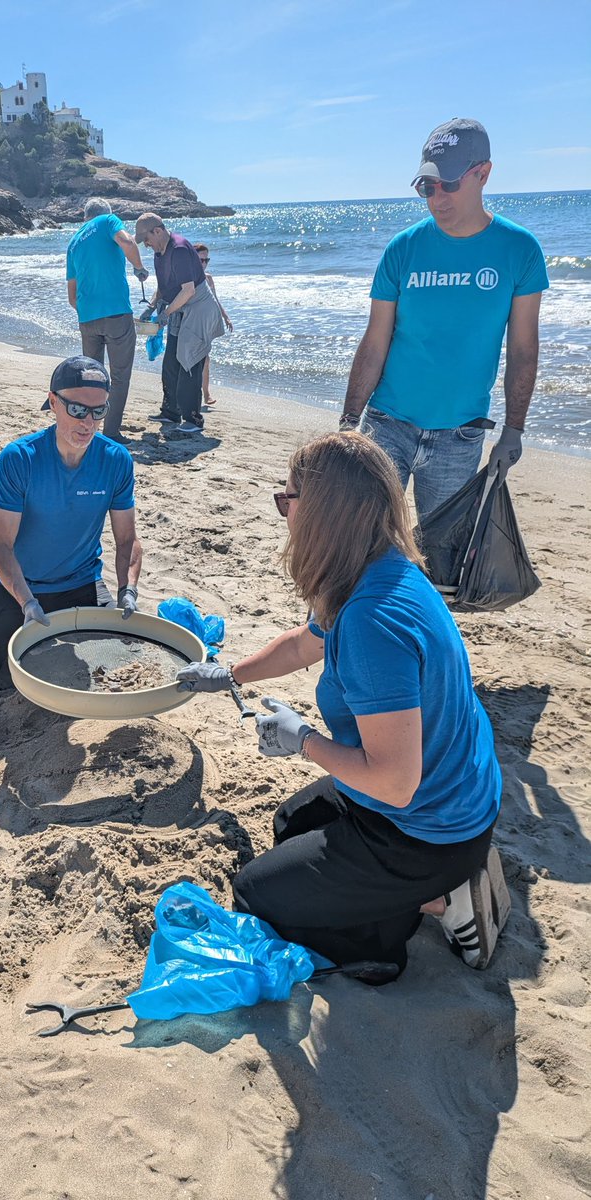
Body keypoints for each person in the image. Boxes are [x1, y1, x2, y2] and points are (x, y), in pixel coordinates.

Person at [175, 433, 509, 978]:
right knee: (289, 825)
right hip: (453, 794)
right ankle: (417, 892)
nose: (283, 512)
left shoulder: (372, 620)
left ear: (323, 513)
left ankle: (443, 905)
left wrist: (303, 740)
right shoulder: (375, 565)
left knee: (256, 896)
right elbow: (303, 644)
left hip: (428, 830)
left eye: (288, 500)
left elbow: (396, 784)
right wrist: (229, 673)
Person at [339, 118, 549, 522]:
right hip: (386, 426)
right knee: (365, 543)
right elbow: (375, 341)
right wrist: (350, 421)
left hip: (461, 436)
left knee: (442, 559)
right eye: (427, 187)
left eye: (449, 184)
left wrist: (513, 431)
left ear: (483, 173)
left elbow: (523, 349)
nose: (437, 198)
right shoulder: (402, 249)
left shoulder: (520, 250)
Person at [0, 355, 143, 691]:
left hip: (83, 586)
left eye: (99, 411)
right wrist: (26, 601)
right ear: (53, 402)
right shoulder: (19, 458)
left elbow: (128, 541)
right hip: (19, 588)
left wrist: (128, 590)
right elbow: (0, 546)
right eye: (78, 410)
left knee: (127, 664)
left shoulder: (116, 460)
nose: (88, 422)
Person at [66, 198, 149, 443]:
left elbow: (72, 295)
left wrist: (88, 311)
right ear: (106, 213)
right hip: (115, 313)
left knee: (92, 376)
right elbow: (127, 241)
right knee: (120, 375)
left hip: (87, 318)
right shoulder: (108, 221)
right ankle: (111, 432)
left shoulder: (73, 242)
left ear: (84, 218)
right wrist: (139, 267)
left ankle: (87, 427)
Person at [135, 213, 224, 434]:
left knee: (189, 361)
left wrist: (165, 313)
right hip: (179, 307)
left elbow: (189, 290)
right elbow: (163, 287)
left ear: (157, 231)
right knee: (171, 362)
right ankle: (170, 413)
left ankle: (193, 420)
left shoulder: (181, 249)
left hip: (198, 308)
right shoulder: (158, 253)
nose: (146, 245)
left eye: (146, 239)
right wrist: (152, 307)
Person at [193, 243, 233, 408]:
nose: (203, 263)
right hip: (190, 323)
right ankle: (190, 394)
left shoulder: (208, 278)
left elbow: (215, 300)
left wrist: (225, 317)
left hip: (205, 324)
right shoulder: (188, 277)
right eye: (200, 260)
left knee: (205, 359)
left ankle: (206, 394)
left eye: (206, 260)